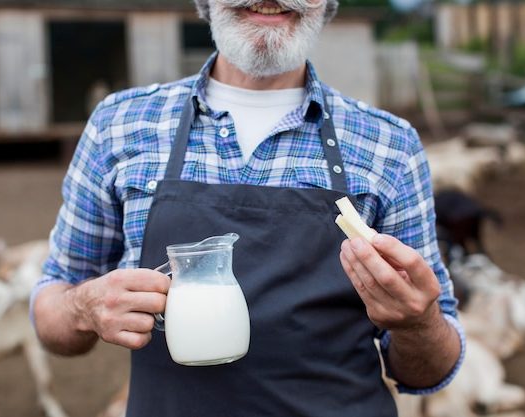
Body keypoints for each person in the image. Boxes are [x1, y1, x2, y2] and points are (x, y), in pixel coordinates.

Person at [31, 1, 465, 416]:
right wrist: (81, 306)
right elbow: (55, 303)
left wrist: (418, 322)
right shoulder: (120, 124)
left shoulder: (390, 145)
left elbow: (432, 369)